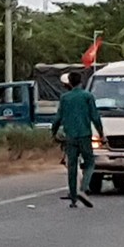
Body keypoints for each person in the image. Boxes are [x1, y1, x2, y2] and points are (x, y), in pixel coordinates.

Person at [51, 72, 105, 208]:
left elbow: (57, 118)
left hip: (70, 136)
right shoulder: (87, 96)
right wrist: (101, 133)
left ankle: (74, 199)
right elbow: (95, 116)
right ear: (81, 82)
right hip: (84, 135)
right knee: (90, 163)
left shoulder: (65, 98)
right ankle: (84, 188)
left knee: (72, 167)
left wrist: (53, 133)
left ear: (69, 82)